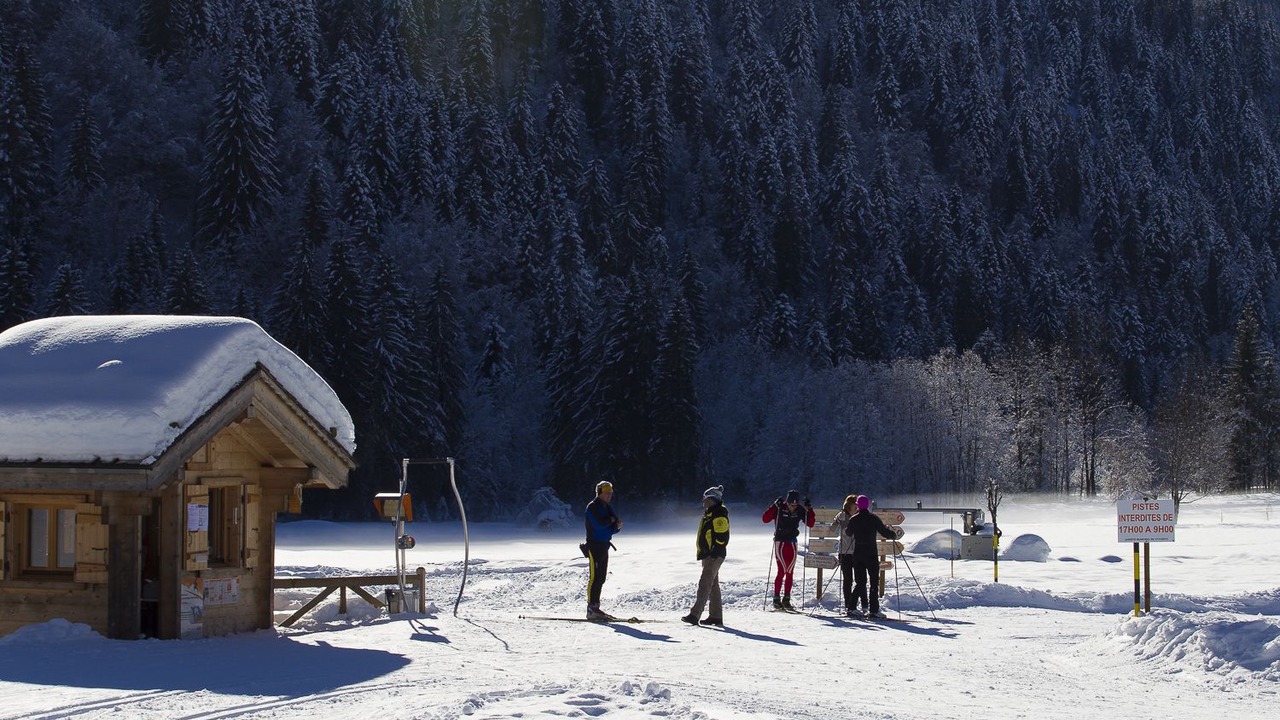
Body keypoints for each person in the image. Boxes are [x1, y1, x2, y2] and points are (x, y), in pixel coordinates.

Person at [843, 494, 897, 618]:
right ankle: (874, 610)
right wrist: (893, 535)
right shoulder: (873, 518)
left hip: (858, 553)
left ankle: (851, 607)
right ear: (868, 505)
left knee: (860, 582)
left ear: (857, 505)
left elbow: (848, 532)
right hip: (871, 553)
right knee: (873, 582)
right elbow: (884, 532)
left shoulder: (854, 519)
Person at [682, 485, 729, 626]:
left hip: (714, 555)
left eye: (705, 498)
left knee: (705, 583)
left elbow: (722, 536)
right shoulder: (710, 513)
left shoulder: (718, 514)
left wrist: (714, 550)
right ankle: (715, 616)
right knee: (713, 585)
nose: (703, 501)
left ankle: (694, 615)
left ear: (712, 499)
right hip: (708, 554)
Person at [761, 489, 815, 609]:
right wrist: (774, 506)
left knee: (790, 571)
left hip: (792, 542)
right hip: (780, 542)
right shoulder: (780, 507)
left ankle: (786, 599)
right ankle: (776, 598)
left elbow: (810, 523)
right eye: (791, 504)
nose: (792, 507)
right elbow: (765, 519)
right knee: (782, 570)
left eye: (795, 505)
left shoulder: (800, 509)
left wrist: (809, 509)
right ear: (787, 502)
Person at [584, 480, 623, 620]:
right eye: (607, 493)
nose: (609, 496)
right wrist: (612, 521)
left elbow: (609, 529)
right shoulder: (592, 507)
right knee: (594, 577)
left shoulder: (607, 508)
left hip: (604, 545)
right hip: (594, 546)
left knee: (601, 577)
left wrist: (616, 526)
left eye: (611, 493)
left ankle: (596, 607)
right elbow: (599, 524)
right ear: (600, 493)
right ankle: (591, 608)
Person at [830, 494, 859, 616]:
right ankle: (848, 604)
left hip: (858, 552)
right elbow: (832, 530)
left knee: (859, 580)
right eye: (855, 504)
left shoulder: (859, 516)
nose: (856, 506)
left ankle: (856, 604)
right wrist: (837, 520)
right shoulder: (842, 516)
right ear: (849, 505)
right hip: (845, 552)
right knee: (848, 580)